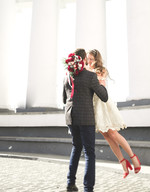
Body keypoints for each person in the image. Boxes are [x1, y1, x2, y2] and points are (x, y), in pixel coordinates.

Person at [86, 49, 141, 179]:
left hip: (102, 104)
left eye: (91, 59)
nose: (89, 61)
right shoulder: (86, 69)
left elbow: (101, 84)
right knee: (106, 135)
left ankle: (133, 157)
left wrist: (90, 71)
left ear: (96, 59)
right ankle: (123, 162)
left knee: (112, 132)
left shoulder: (101, 70)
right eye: (87, 59)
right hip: (93, 105)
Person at [63, 48, 108, 192]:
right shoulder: (90, 76)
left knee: (76, 147)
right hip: (86, 118)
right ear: (83, 60)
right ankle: (88, 188)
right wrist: (102, 81)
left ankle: (70, 183)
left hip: (70, 117)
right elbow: (104, 96)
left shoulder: (66, 77)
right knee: (89, 153)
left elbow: (64, 99)